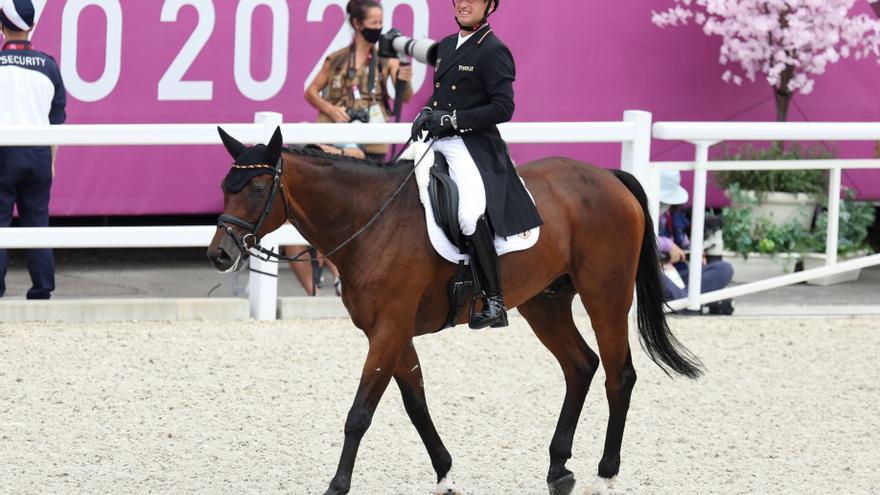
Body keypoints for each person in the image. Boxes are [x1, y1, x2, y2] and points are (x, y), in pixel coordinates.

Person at [410, 0, 543, 329]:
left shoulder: (494, 50)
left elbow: (503, 108)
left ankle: (494, 300)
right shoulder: (446, 45)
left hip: (472, 144)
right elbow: (441, 96)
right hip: (438, 139)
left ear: (490, 6)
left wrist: (453, 119)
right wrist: (427, 112)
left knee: (469, 214)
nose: (465, 3)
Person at [0, 0, 66, 300]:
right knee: (38, 222)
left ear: (2, 27)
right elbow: (56, 120)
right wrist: (50, 161)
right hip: (39, 154)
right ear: (32, 27)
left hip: (4, 153)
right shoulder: (49, 66)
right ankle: (42, 290)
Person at [305, 0, 413, 162]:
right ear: (357, 24)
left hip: (373, 142)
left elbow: (405, 97)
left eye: (380, 22)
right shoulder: (336, 59)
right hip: (336, 137)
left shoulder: (387, 61)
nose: (378, 27)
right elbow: (310, 92)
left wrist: (406, 80)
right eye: (373, 22)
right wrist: (331, 109)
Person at [657, 170, 735, 315]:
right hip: (655, 273)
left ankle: (682, 301)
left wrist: (694, 252)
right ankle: (687, 303)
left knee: (724, 269)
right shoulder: (636, 208)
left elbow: (683, 242)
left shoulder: (674, 214)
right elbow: (639, 241)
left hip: (677, 273)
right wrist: (667, 245)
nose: (665, 205)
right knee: (653, 273)